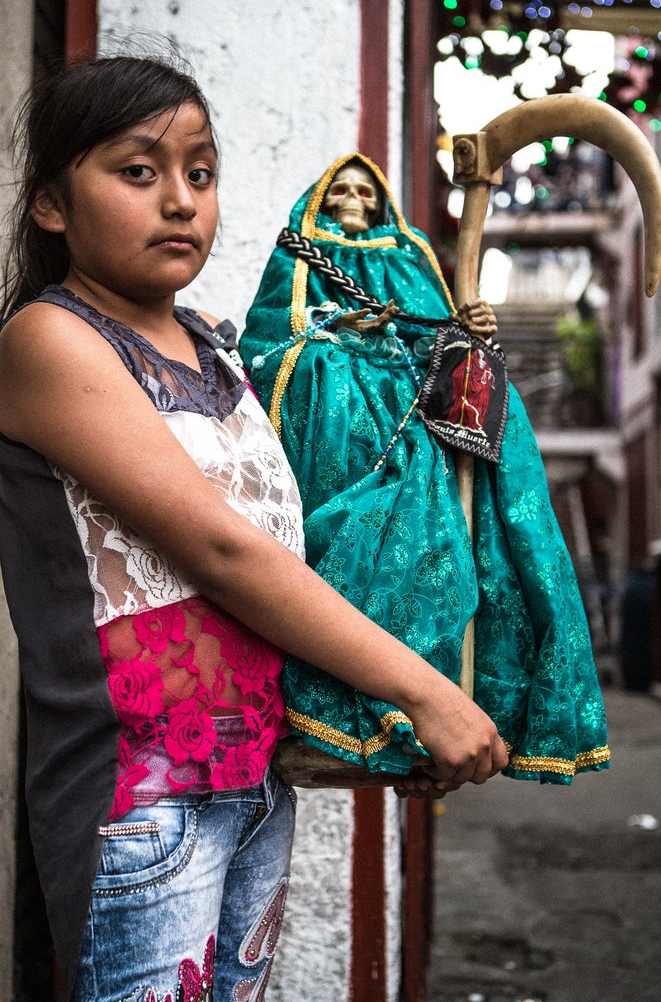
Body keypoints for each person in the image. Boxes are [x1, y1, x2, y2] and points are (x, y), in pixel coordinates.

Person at [0, 56, 507, 1002]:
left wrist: (379, 725)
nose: (180, 199)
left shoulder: (215, 351)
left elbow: (309, 547)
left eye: (201, 174)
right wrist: (424, 689)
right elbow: (225, 553)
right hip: (142, 799)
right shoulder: (55, 344)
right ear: (48, 202)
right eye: (138, 172)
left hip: (254, 777)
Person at [240, 153, 610, 784]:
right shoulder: (302, 253)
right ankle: (341, 722)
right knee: (350, 544)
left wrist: (470, 334)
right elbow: (273, 345)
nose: (354, 201)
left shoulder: (404, 256)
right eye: (343, 192)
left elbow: (440, 349)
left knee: (443, 560)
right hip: (344, 434)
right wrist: (340, 339)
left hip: (417, 433)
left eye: (365, 191)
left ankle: (431, 714)